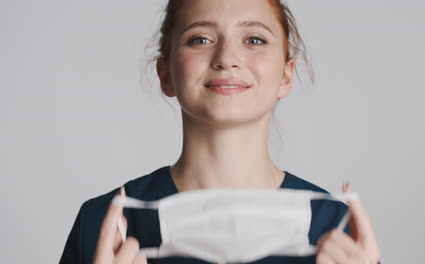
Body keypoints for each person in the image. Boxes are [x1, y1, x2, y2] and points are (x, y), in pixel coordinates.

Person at [59, 0, 381, 263]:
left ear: (286, 75)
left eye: (254, 39)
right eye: (200, 39)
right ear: (166, 73)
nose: (227, 59)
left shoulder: (339, 229)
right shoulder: (102, 224)